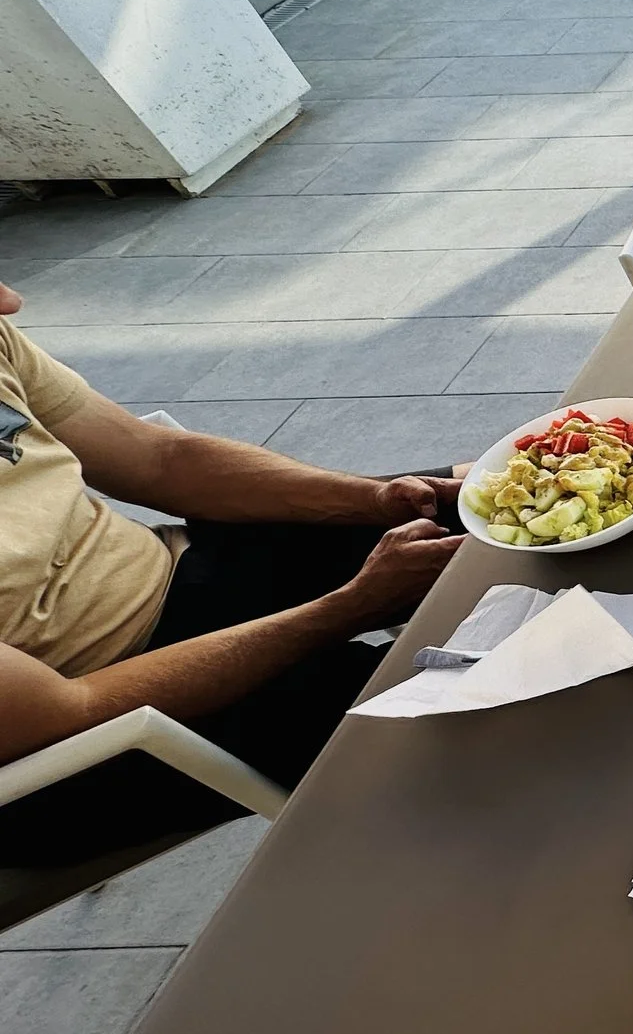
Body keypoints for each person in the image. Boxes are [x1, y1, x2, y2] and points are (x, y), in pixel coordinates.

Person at [0, 277, 463, 918]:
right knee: (455, 721)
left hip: (178, 572)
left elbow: (160, 459)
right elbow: (74, 710)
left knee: (493, 497)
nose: (9, 301)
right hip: (79, 743)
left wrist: (367, 499)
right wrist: (351, 606)